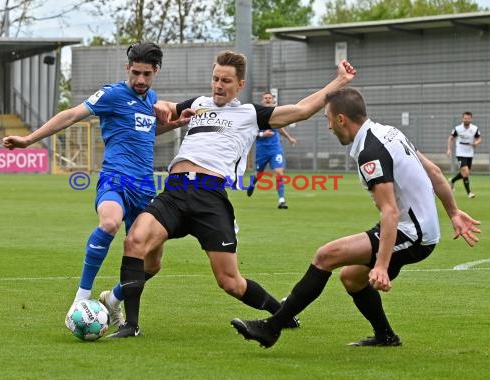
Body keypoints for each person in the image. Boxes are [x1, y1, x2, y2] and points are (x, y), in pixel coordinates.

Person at [105, 50, 357, 338]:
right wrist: (160, 105)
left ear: (240, 85)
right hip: (174, 193)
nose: (218, 85)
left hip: (209, 199)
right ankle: (131, 326)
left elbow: (300, 110)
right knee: (134, 241)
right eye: (215, 79)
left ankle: (281, 314)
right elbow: (163, 109)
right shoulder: (198, 104)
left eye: (226, 80)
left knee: (230, 282)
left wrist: (339, 81)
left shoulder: (250, 113)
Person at [231, 88, 481, 348]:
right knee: (351, 277)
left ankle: (272, 327)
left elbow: (390, 211)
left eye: (328, 119)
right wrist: (452, 212)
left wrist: (382, 266)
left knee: (325, 256)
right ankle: (386, 337)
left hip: (413, 234)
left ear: (341, 119)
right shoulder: (388, 132)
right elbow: (434, 170)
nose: (328, 127)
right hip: (414, 227)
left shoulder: (369, 152)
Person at [2, 42, 190, 328]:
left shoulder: (150, 97)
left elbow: (148, 128)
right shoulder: (113, 94)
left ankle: (113, 299)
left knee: (152, 264)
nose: (140, 80)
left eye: (146, 74)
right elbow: (71, 114)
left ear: (156, 72)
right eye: (135, 72)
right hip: (115, 178)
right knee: (110, 223)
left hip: (145, 189)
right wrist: (29, 139)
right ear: (127, 68)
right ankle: (81, 296)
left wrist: (176, 124)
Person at [247, 91, 297, 209]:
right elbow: (250, 132)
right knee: (259, 174)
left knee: (279, 172)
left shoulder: (275, 113)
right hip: (262, 150)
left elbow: (279, 128)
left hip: (275, 148)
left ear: (272, 100)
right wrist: (263, 134)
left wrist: (289, 138)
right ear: (262, 100)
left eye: (270, 98)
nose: (268, 100)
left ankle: (281, 200)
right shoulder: (257, 115)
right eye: (266, 98)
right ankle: (253, 182)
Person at [446, 111, 481, 198]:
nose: (466, 120)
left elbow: (479, 138)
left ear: (471, 119)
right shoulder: (458, 128)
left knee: (466, 172)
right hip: (460, 153)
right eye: (465, 118)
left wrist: (476, 143)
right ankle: (469, 193)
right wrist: (449, 149)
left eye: (468, 118)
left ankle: (452, 180)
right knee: (465, 172)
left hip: (470, 153)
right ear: (462, 119)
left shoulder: (474, 128)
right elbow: (450, 138)